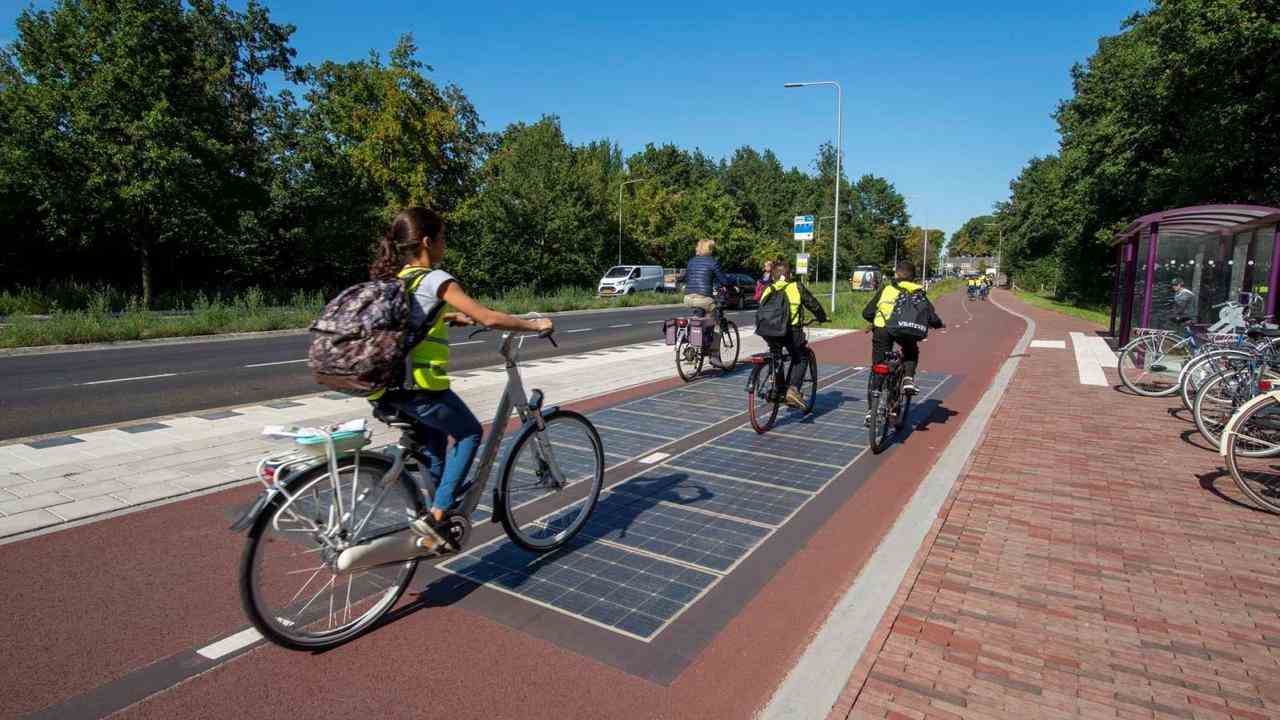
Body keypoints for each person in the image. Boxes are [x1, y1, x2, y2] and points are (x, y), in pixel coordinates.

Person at [368, 208, 553, 545]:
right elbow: (490, 318)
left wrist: (450, 316)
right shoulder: (437, 279)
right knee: (469, 433)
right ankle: (438, 515)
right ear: (427, 242)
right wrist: (535, 324)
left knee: (436, 447)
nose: (444, 245)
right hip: (420, 388)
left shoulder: (398, 279)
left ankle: (434, 521)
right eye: (442, 238)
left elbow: (413, 318)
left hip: (386, 387)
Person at [862, 261, 943, 423]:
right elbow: (931, 316)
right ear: (913, 277)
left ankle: (872, 411)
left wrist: (874, 320)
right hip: (906, 330)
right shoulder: (918, 291)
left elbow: (867, 312)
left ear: (897, 274)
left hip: (882, 330)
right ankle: (907, 378)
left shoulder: (887, 289)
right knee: (911, 351)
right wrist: (939, 324)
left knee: (878, 367)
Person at [758, 260, 810, 408]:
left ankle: (778, 390)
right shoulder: (796, 287)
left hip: (767, 331)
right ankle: (792, 390)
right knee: (801, 356)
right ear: (789, 275)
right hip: (789, 331)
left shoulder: (769, 289)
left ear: (773, 276)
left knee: (776, 356)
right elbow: (813, 304)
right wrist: (822, 317)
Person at [684, 238, 731, 366]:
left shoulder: (691, 261)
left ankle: (694, 345)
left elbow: (686, 277)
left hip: (688, 298)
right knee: (716, 323)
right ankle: (714, 355)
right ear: (709, 249)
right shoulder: (712, 262)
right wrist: (729, 285)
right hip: (704, 298)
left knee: (698, 318)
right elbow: (723, 280)